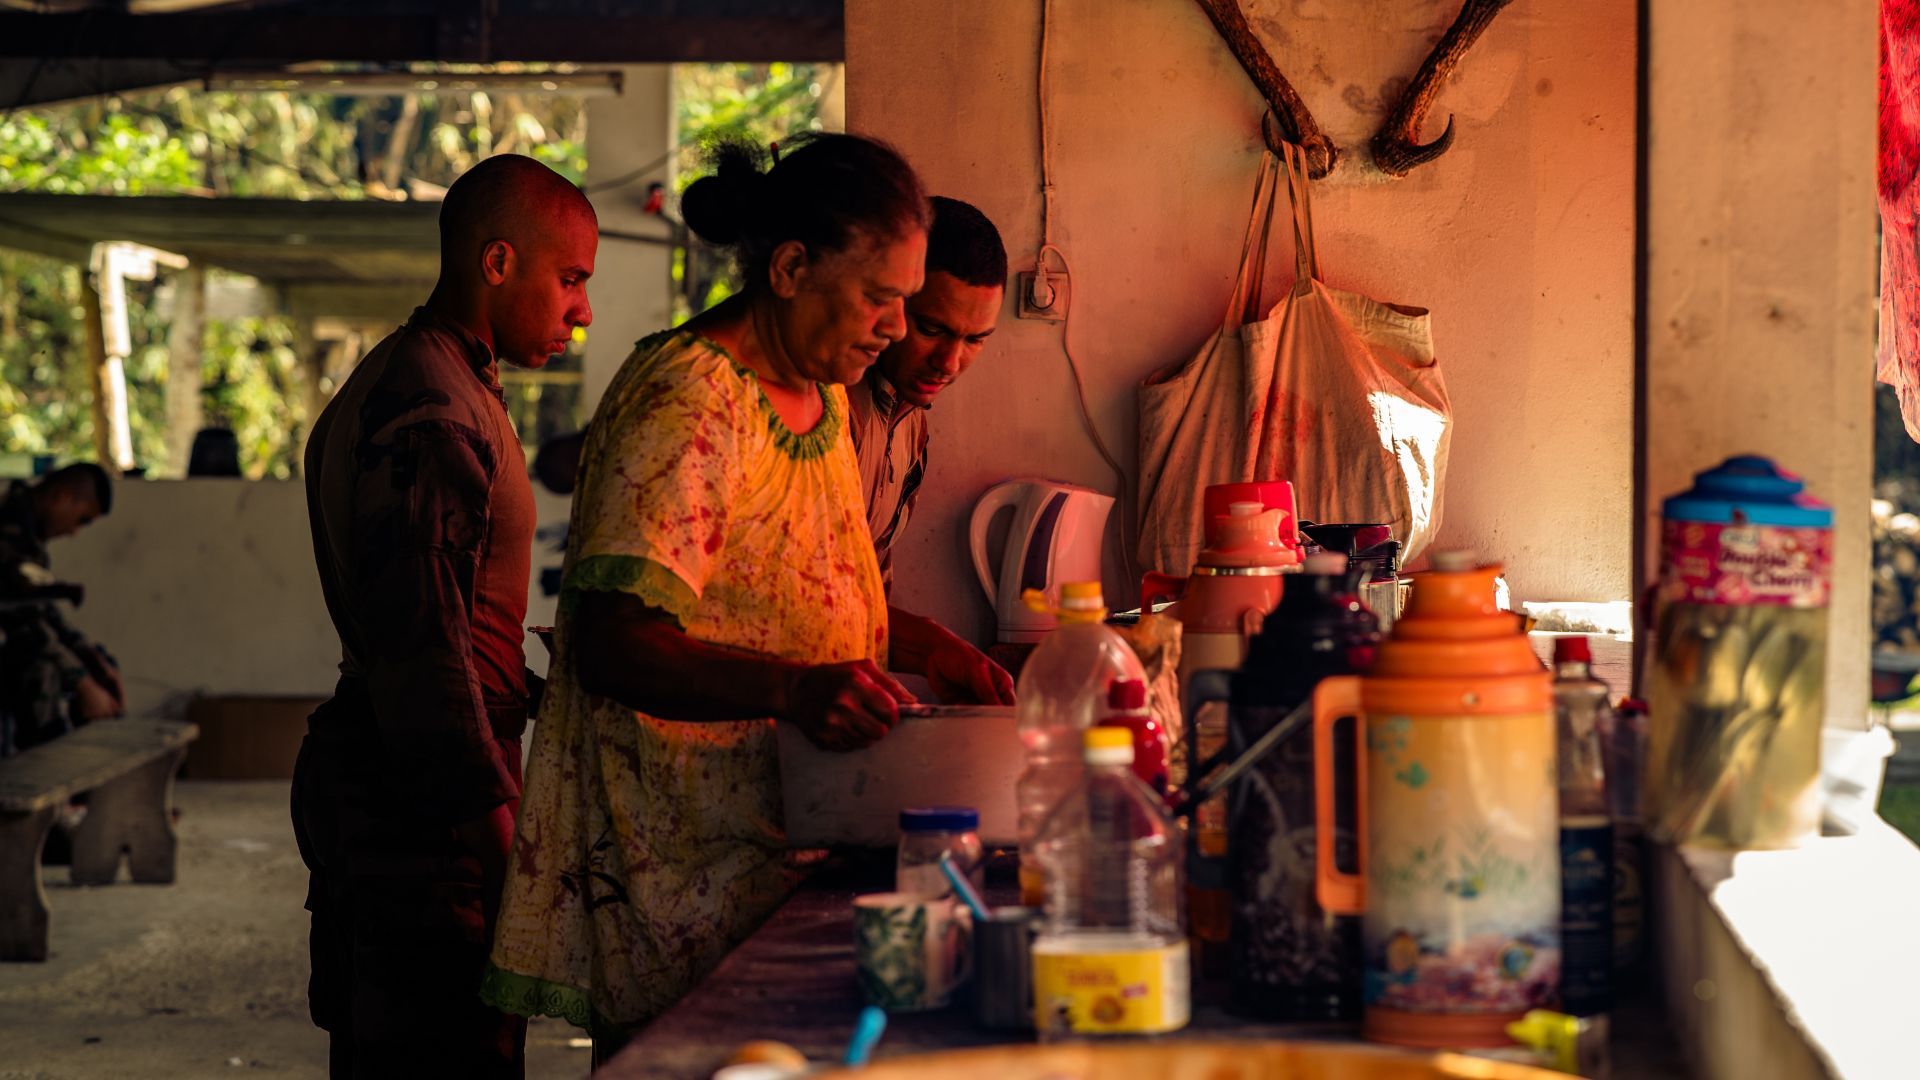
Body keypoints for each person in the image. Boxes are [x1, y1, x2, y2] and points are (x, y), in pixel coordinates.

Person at [480, 134, 1008, 1060]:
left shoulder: (825, 391)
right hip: (683, 865)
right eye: (883, 299)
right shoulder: (690, 400)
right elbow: (611, 641)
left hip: (788, 839)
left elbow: (808, 588)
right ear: (792, 267)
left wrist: (931, 651)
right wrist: (794, 691)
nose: (895, 328)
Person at [293, 153, 595, 1079]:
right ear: (496, 263)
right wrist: (499, 838)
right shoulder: (431, 406)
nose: (580, 310)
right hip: (421, 818)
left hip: (415, 792)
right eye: (571, 279)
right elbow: (428, 651)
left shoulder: (443, 376)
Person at [847, 195, 1007, 593]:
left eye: (975, 339)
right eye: (932, 330)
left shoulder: (912, 426)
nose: (950, 363)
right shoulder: (831, 405)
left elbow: (868, 589)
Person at [0, 463, 122, 758]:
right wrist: (81, 682)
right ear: (63, 497)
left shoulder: (29, 533)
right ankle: (41, 785)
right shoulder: (7, 528)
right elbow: (22, 621)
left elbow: (43, 611)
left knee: (96, 662)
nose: (74, 532)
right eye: (81, 519)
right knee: (42, 671)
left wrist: (89, 658)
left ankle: (87, 785)